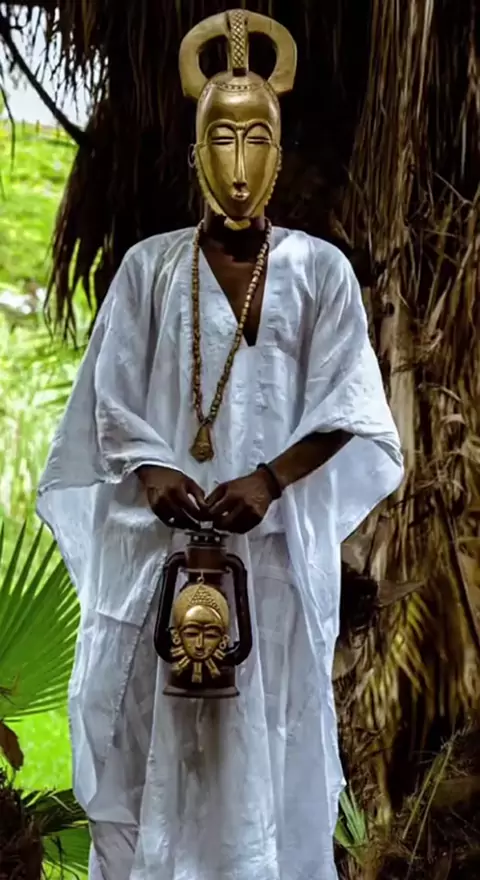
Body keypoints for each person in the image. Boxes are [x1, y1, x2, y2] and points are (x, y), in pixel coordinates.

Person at [37, 9, 403, 880]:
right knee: (150, 747)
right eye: (223, 140)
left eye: (257, 140)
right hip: (159, 559)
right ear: (197, 153)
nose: (240, 164)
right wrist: (152, 467)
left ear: (278, 152)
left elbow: (350, 399)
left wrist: (271, 480)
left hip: (269, 566)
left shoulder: (319, 271)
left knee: (268, 750)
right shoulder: (148, 268)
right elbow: (110, 397)